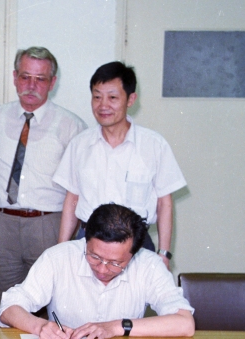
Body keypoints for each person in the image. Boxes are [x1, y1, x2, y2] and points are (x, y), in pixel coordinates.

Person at [0, 47, 87, 299]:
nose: (31, 86)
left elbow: (82, 182)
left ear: (52, 83)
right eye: (25, 77)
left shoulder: (72, 125)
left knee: (50, 300)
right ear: (15, 77)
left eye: (40, 79)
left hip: (49, 225)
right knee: (3, 300)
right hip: (2, 225)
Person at [0, 203, 195, 339]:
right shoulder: (58, 257)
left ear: (134, 254)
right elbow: (9, 307)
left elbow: (185, 323)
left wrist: (115, 327)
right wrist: (39, 326)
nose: (102, 269)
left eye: (116, 263)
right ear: (86, 240)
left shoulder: (149, 264)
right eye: (94, 257)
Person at [54, 61, 186, 268]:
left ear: (131, 99)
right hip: (87, 242)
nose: (103, 105)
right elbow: (72, 199)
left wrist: (164, 253)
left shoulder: (154, 145)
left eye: (113, 98)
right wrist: (61, 249)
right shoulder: (79, 145)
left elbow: (164, 203)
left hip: (137, 245)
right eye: (97, 97)